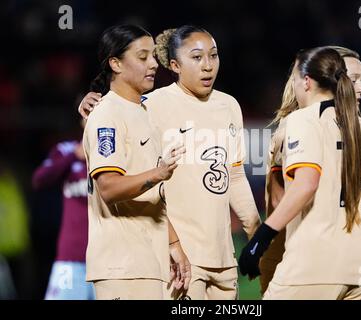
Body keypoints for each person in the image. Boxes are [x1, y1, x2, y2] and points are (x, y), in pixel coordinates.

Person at [79, 25, 261, 300]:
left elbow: (234, 176)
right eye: (197, 57)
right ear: (174, 65)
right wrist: (89, 103)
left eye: (214, 55)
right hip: (178, 258)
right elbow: (112, 119)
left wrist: (255, 231)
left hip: (223, 255)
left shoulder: (229, 107)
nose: (208, 66)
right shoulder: (150, 105)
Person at [239, 46, 361, 300]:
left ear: (306, 81)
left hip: (312, 267)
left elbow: (294, 191)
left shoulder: (301, 120)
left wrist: (259, 241)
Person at [83, 24, 190, 300]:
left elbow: (149, 197)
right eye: (143, 57)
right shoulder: (108, 115)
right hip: (122, 266)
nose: (153, 64)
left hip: (147, 262)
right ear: (115, 63)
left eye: (154, 55)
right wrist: (158, 173)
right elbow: (109, 188)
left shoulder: (142, 112)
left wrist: (173, 243)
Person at [32, 120, 96, 300]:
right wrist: (74, 156)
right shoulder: (66, 150)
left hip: (106, 259)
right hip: (71, 258)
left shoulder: (115, 151)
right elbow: (39, 179)